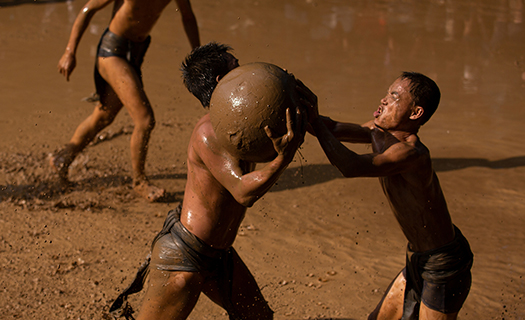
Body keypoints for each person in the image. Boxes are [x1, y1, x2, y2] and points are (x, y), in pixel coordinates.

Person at [107, 46, 305, 320]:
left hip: (217, 254)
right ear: (220, 80)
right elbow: (243, 191)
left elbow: (325, 128)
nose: (246, 70)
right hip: (184, 257)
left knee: (259, 318)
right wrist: (284, 157)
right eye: (237, 66)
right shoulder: (209, 133)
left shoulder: (247, 120)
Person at [298, 72, 473, 320]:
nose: (383, 100)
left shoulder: (411, 154)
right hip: (418, 256)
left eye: (394, 97)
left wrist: (315, 122)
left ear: (415, 113)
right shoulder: (377, 131)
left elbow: (352, 166)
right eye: (387, 93)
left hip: (443, 264)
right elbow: (333, 128)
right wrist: (299, 110)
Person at [51, 0, 201, 202]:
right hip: (113, 52)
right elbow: (88, 9)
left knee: (103, 117)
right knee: (145, 120)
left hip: (136, 53)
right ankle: (139, 182)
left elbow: (188, 17)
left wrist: (198, 54)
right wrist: (70, 51)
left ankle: (62, 157)